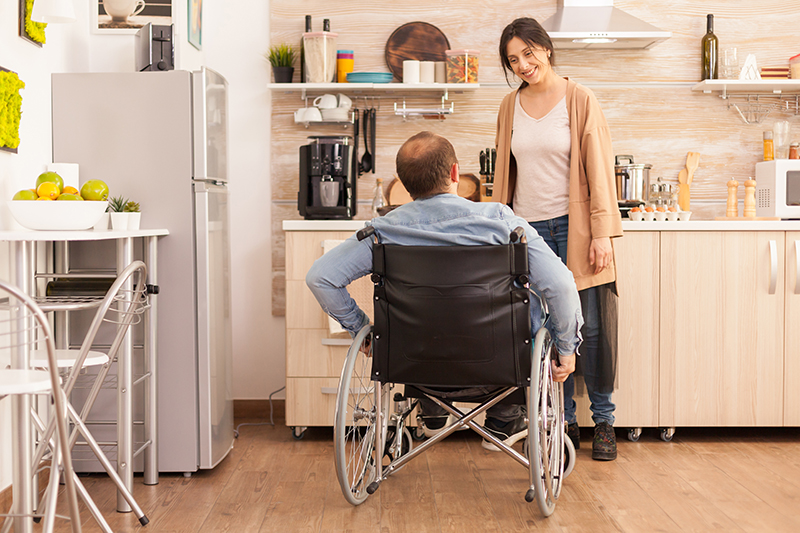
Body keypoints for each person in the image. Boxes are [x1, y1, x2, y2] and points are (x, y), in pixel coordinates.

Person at [306, 131, 582, 450]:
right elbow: (560, 286)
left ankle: (432, 407)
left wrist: (362, 330)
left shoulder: (382, 232)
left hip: (414, 364)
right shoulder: (503, 223)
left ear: (405, 183)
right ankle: (505, 413)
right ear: (455, 173)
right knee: (531, 306)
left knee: (423, 329)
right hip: (501, 363)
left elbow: (321, 277)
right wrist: (565, 348)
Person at [493, 18, 624, 461]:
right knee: (542, 330)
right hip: (527, 231)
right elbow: (502, 177)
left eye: (528, 53)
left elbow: (600, 170)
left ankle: (603, 421)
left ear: (545, 49)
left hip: (575, 228)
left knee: (592, 327)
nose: (523, 65)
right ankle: (561, 422)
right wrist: (500, 229)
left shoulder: (579, 98)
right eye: (514, 60)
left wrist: (603, 231)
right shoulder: (509, 105)